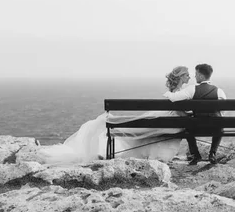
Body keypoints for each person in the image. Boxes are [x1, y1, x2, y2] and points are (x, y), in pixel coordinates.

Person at [38, 66, 192, 166]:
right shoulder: (181, 95)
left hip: (165, 123)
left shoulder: (173, 94)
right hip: (171, 126)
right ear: (182, 77)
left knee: (134, 131)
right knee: (147, 130)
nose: (189, 78)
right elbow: (184, 112)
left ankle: (107, 151)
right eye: (187, 75)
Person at [163, 63, 226, 165]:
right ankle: (212, 154)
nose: (195, 76)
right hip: (215, 128)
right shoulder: (219, 91)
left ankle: (196, 155)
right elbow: (222, 111)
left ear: (201, 76)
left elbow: (173, 98)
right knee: (220, 126)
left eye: (196, 74)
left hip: (197, 127)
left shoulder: (192, 89)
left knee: (188, 127)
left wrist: (167, 94)